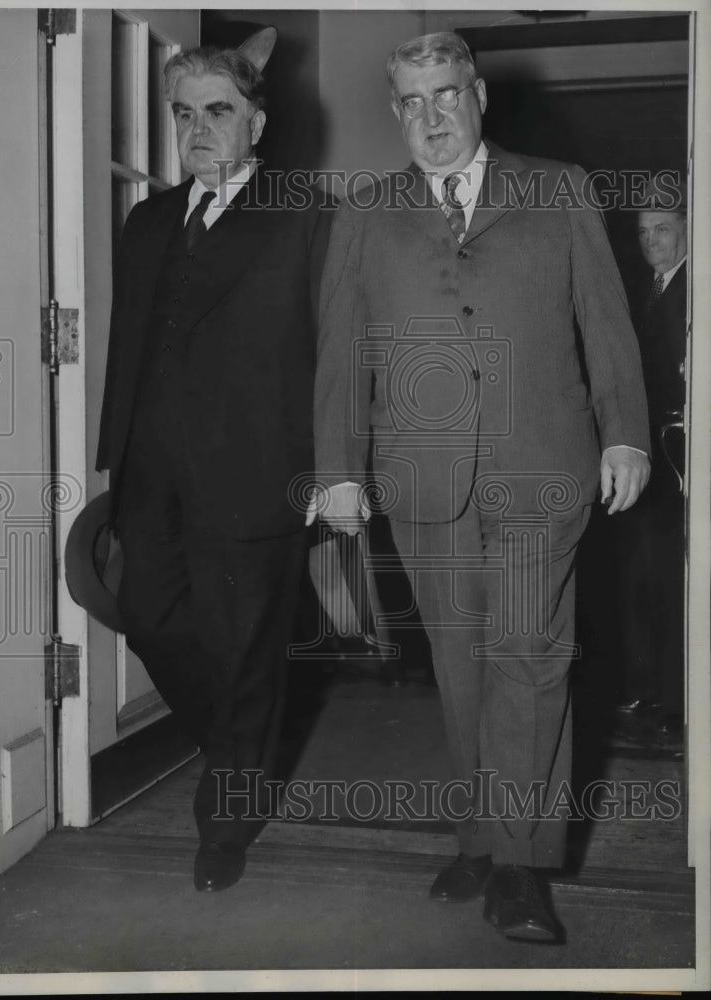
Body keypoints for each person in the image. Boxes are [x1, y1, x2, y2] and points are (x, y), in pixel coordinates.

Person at [311, 31, 650, 943]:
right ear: (396, 113)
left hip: (543, 465)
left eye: (445, 95)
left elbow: (605, 323)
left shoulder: (558, 187)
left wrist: (626, 436)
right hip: (422, 475)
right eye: (411, 102)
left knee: (528, 659)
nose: (430, 117)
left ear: (478, 97)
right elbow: (341, 351)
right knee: (461, 669)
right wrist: (338, 469)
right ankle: (480, 833)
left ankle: (519, 865)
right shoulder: (367, 211)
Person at [97, 31, 331, 893]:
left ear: (257, 123)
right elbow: (130, 348)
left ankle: (224, 821)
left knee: (243, 654)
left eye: (218, 112)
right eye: (184, 113)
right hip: (151, 474)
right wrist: (113, 458)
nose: (198, 130)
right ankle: (240, 748)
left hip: (255, 474)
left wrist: (326, 468)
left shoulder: (305, 211)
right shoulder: (149, 218)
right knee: (151, 620)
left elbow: (341, 351)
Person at [617, 176, 687, 733]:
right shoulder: (651, 288)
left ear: (688, 229)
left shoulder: (693, 291)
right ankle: (650, 688)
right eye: (643, 231)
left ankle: (676, 698)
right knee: (643, 577)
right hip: (649, 455)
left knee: (670, 578)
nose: (651, 241)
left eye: (663, 229)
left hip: (678, 454)